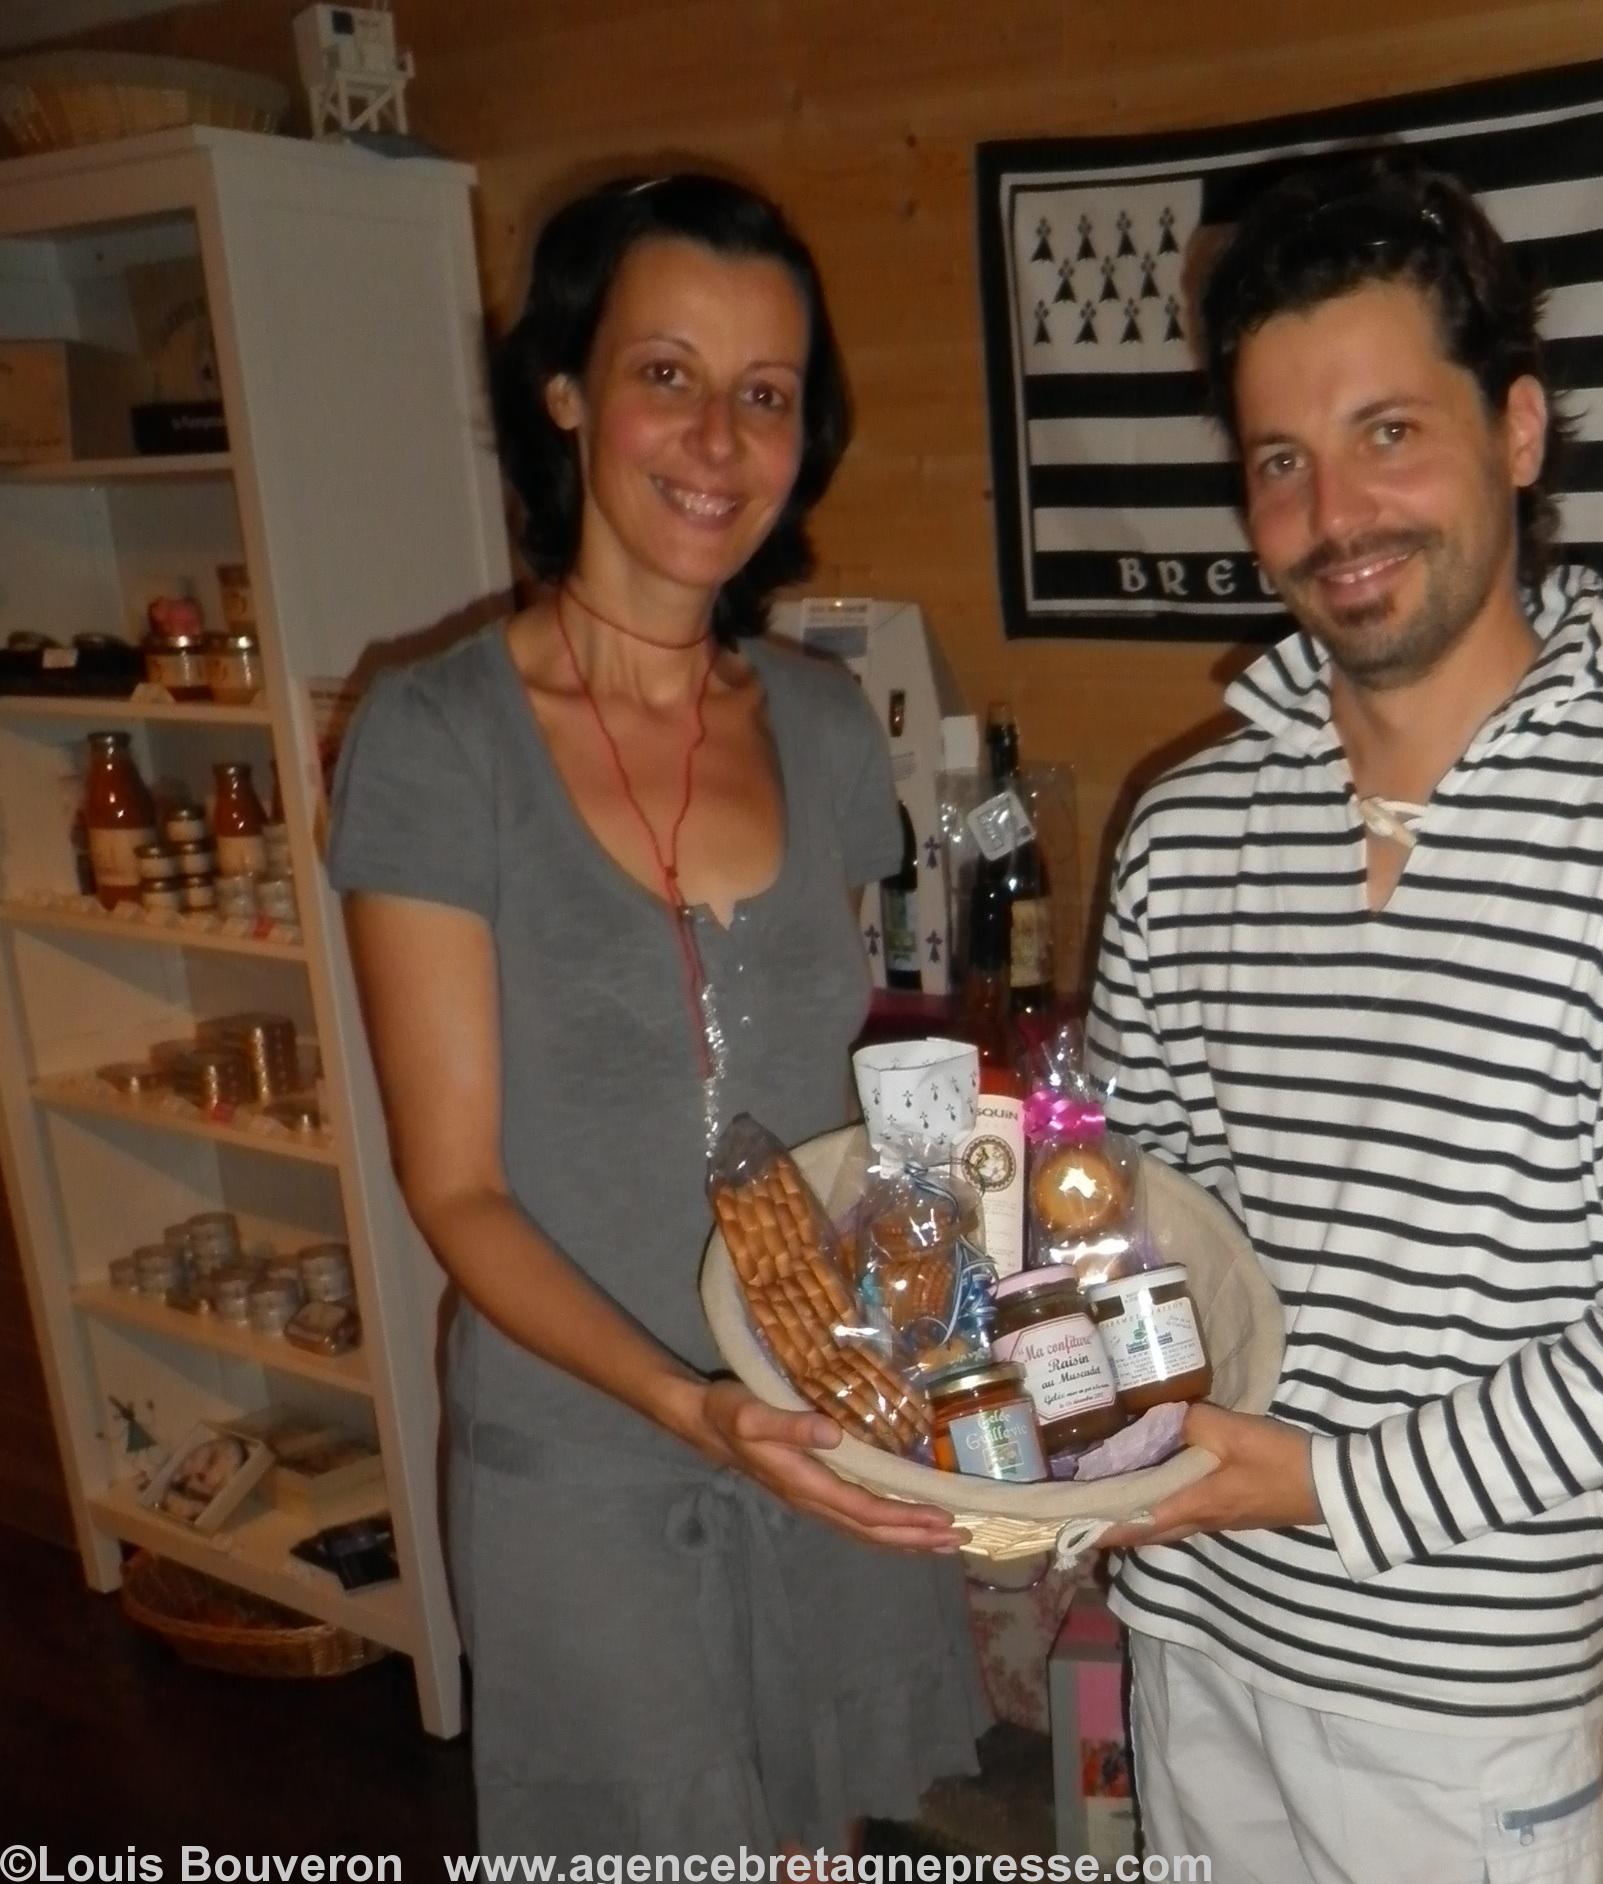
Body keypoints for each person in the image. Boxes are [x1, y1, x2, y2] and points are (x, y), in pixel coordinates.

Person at [1087, 153, 1603, 1884]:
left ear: (1518, 429)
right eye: (1282, 461)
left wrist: (1324, 1487)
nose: (1337, 512)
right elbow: (1127, 1205)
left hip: (1456, 1705)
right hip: (1192, 1628)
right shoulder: (1186, 826)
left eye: (1389, 432)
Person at [326, 172, 986, 1857]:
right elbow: (456, 1185)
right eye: (666, 373)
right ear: (565, 391)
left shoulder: (829, 728)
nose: (716, 439)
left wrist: (948, 1301)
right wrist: (696, 1406)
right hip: (592, 1470)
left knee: (827, 1834)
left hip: (824, 1411)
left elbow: (844, 1080)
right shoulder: (434, 738)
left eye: (765, 394)